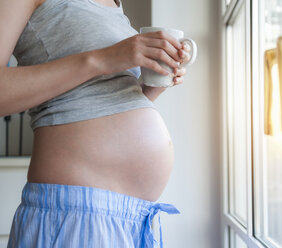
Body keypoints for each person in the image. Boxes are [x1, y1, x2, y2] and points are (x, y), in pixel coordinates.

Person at [2, 0, 191, 247]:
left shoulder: (113, 3)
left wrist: (149, 88)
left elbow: (95, 101)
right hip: (76, 214)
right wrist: (102, 59)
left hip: (135, 220)